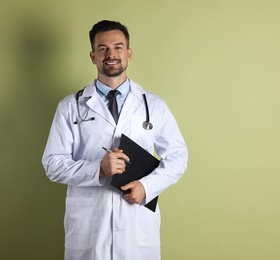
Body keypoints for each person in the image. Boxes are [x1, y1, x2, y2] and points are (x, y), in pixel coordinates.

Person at [42, 20, 188, 260]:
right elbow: (52, 164)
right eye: (103, 49)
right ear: (93, 56)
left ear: (129, 53)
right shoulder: (70, 107)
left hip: (136, 224)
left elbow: (178, 157)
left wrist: (146, 187)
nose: (111, 54)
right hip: (90, 229)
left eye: (118, 47)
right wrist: (98, 168)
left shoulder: (154, 106)